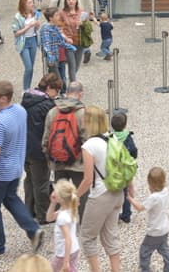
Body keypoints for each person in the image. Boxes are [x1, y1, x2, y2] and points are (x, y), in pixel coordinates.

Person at [0, 80, 45, 256]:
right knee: (11, 199)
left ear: (3, 98)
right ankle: (33, 229)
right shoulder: (20, 111)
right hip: (15, 169)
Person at [76, 105, 128, 272]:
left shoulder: (89, 145)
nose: (82, 120)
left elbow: (88, 179)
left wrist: (75, 196)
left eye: (84, 118)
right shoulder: (113, 138)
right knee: (110, 235)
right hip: (117, 193)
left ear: (90, 121)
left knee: (87, 237)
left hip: (100, 196)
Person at [43, 81, 88, 215]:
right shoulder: (83, 113)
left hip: (58, 161)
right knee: (81, 195)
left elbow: (45, 139)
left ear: (66, 93)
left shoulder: (52, 112)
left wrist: (50, 159)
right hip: (78, 163)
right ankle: (80, 222)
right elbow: (87, 141)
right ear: (81, 94)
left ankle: (60, 220)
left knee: (60, 194)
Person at [23, 73, 62, 223]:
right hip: (38, 151)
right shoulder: (47, 105)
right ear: (49, 87)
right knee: (41, 183)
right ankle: (44, 215)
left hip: (24, 148)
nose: (56, 94)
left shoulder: (27, 98)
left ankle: (28, 210)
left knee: (29, 179)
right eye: (56, 90)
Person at [128, 167, 169, 272]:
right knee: (163, 248)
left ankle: (145, 269)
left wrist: (129, 198)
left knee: (144, 251)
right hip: (164, 229)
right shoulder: (165, 191)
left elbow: (140, 208)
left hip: (154, 231)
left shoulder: (154, 198)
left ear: (152, 184)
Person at [46, 179, 80, 272]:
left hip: (63, 253)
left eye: (56, 192)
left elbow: (67, 239)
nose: (53, 193)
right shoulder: (70, 208)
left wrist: (65, 261)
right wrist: (53, 203)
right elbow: (49, 218)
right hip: (75, 249)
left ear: (61, 198)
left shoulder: (62, 217)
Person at [111, 113, 139, 224]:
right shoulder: (128, 137)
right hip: (126, 169)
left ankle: (112, 214)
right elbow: (134, 151)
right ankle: (126, 214)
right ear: (125, 124)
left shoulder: (110, 137)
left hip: (114, 169)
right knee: (125, 191)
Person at [12, 0, 43, 92]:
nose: (32, 4)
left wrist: (37, 25)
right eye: (29, 3)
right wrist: (28, 26)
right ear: (23, 4)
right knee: (28, 67)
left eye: (32, 2)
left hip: (33, 40)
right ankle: (25, 89)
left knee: (31, 67)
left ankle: (28, 88)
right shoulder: (18, 16)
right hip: (23, 42)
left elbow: (37, 28)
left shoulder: (35, 14)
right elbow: (16, 33)